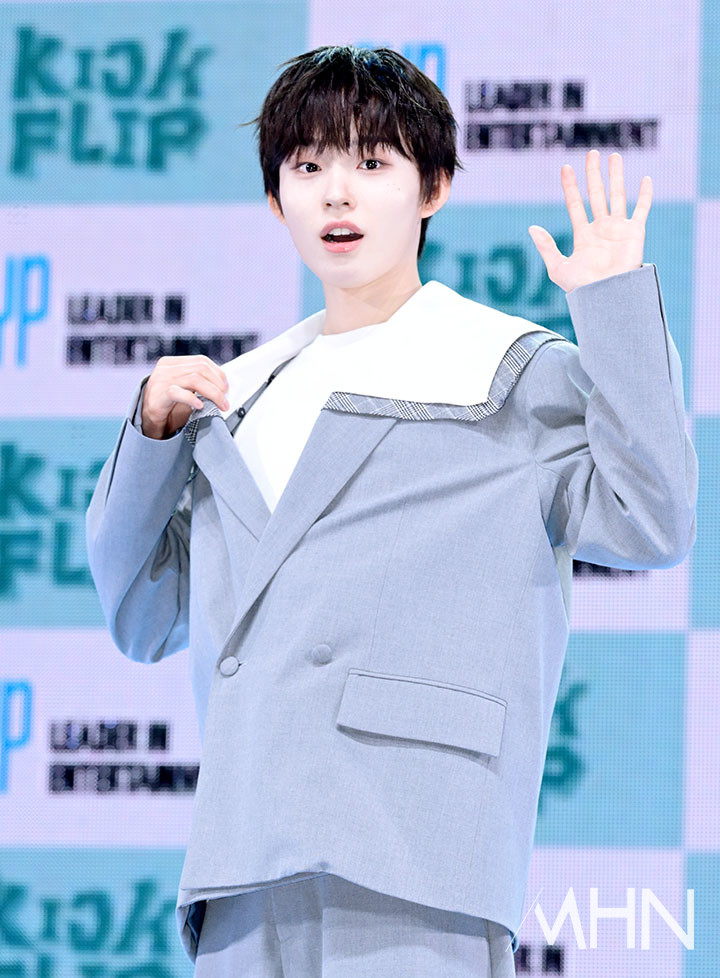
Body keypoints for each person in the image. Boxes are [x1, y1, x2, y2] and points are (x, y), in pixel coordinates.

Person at [85, 45, 698, 977]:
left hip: (419, 852)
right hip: (244, 861)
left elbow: (652, 520)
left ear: (433, 188)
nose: (338, 194)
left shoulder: (506, 370)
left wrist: (611, 305)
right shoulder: (237, 394)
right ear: (275, 200)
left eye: (372, 163)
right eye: (308, 167)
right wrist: (150, 436)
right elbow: (141, 617)